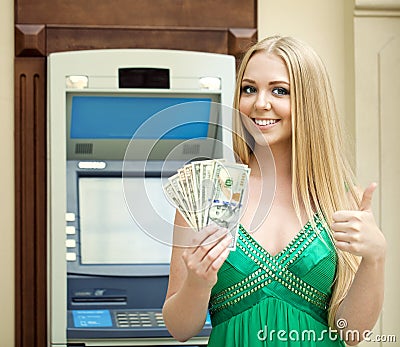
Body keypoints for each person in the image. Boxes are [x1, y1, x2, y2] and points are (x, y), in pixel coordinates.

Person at [162, 35, 386, 346]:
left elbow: (352, 333)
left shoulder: (341, 198)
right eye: (249, 89)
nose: (259, 103)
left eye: (279, 90)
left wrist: (375, 258)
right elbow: (180, 328)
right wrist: (199, 284)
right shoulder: (205, 192)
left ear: (310, 102)